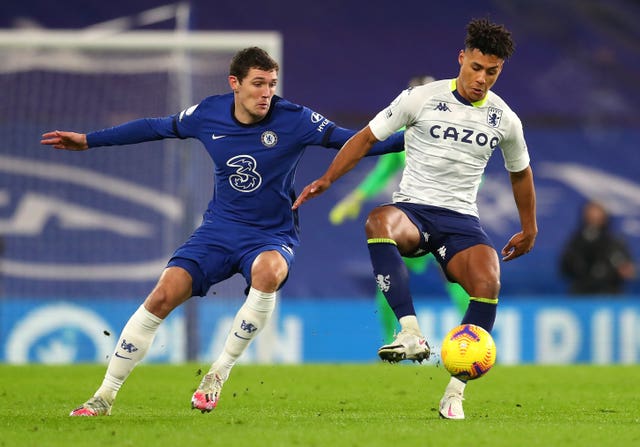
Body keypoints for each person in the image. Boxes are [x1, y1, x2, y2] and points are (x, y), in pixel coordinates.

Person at [40, 47, 404, 416]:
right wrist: (89, 140)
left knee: (269, 273)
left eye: (271, 85)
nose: (266, 93)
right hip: (218, 231)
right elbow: (154, 127)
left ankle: (217, 373)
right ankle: (103, 397)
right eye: (258, 84)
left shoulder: (295, 119)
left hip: (270, 235)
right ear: (235, 84)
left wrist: (414, 136)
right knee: (164, 294)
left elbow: (355, 140)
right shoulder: (207, 113)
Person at [293, 19, 537, 420]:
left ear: (500, 71)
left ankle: (455, 391)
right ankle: (409, 333)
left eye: (491, 72)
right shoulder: (420, 98)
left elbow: (521, 172)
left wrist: (530, 228)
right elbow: (367, 137)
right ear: (462, 58)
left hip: (460, 219)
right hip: (414, 210)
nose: (481, 79)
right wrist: (328, 179)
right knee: (378, 220)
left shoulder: (504, 119)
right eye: (476, 67)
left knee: (489, 279)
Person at [329, 75, 469, 344]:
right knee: (389, 281)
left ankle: (473, 337)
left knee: (459, 281)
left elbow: (475, 173)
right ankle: (390, 341)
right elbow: (383, 172)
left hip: (448, 218)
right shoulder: (406, 137)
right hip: (414, 221)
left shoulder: (453, 132)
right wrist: (357, 196)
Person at [560, 200, 635, 295]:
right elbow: (564, 269)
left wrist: (620, 269)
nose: (594, 221)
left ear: (605, 218)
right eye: (591, 218)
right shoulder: (576, 242)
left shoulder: (614, 243)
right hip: (581, 293)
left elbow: (628, 271)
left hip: (610, 294)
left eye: (597, 218)